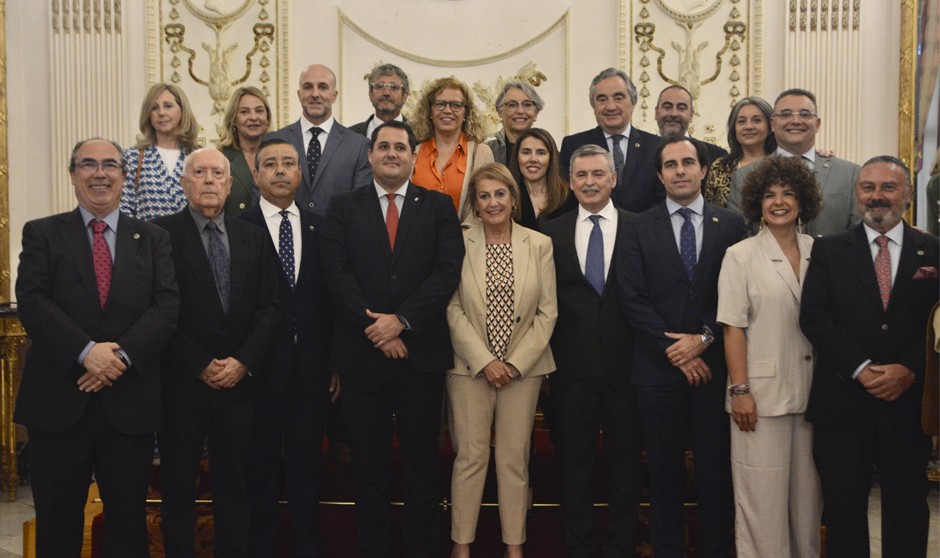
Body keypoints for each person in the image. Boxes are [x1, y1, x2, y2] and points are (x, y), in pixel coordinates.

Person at [14, 138, 180, 557]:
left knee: (127, 525)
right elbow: (33, 302)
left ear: (124, 177)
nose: (100, 173)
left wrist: (119, 357)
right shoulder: (42, 233)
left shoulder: (154, 238)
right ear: (73, 175)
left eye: (110, 165)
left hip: (128, 405)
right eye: (88, 164)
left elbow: (166, 305)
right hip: (58, 404)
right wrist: (86, 351)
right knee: (57, 523)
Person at [319, 120, 464, 558]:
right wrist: (378, 330)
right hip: (362, 359)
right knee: (369, 467)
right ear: (370, 155)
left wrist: (401, 321)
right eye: (383, 146)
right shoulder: (343, 207)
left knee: (423, 465)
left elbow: (446, 272)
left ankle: (422, 550)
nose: (392, 153)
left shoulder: (439, 207)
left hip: (420, 357)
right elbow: (336, 273)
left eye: (400, 147)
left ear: (412, 156)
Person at [800, 155, 939, 558]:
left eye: (888, 187)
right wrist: (861, 369)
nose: (876, 196)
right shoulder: (829, 251)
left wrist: (909, 369)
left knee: (908, 508)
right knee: (842, 513)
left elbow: (939, 325)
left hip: (908, 404)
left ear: (908, 196)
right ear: (857, 195)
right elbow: (814, 316)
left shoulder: (933, 251)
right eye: (868, 187)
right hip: (842, 402)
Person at [618, 136, 745, 558]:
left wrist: (703, 340)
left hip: (713, 370)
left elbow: (735, 296)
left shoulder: (731, 224)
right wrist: (674, 350)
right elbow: (631, 297)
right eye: (670, 165)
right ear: (660, 175)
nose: (680, 171)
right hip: (656, 374)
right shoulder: (637, 225)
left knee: (715, 475)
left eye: (688, 162)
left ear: (703, 169)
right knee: (664, 475)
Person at [154, 147, 280, 558]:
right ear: (184, 181)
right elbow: (157, 310)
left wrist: (242, 362)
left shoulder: (253, 237)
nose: (209, 180)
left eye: (217, 174)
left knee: (235, 488)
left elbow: (270, 307)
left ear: (230, 184)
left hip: (238, 385)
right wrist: (199, 364)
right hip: (181, 385)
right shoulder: (159, 235)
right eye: (199, 172)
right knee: (178, 490)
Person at [446, 163, 557, 558]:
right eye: (484, 195)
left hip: (522, 372)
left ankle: (515, 546)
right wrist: (484, 360)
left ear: (513, 198)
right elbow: (452, 307)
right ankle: (462, 545)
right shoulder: (458, 241)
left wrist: (513, 364)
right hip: (468, 368)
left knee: (514, 459)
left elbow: (548, 313)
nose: (493, 202)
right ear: (474, 204)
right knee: (470, 457)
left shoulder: (538, 244)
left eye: (500, 194)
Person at [716, 156, 824, 557]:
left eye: (789, 193)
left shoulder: (821, 251)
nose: (779, 202)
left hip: (814, 397)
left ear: (804, 201)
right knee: (762, 505)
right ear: (757, 204)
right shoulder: (740, 255)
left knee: (807, 506)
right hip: (759, 399)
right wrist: (740, 389)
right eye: (770, 195)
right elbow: (732, 327)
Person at [541, 144, 641, 558]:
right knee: (574, 470)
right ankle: (577, 549)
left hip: (628, 370)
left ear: (613, 178)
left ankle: (620, 548)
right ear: (570, 180)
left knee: (625, 469)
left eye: (598, 174)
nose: (590, 182)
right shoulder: (550, 232)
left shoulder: (641, 227)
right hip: (570, 373)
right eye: (581, 175)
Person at [240, 138, 337, 557]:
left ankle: (306, 548)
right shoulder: (237, 226)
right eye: (271, 164)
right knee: (258, 468)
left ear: (300, 173)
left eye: (289, 163)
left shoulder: (321, 225)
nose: (281, 171)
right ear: (256, 174)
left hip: (311, 371)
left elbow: (331, 299)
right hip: (258, 371)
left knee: (306, 469)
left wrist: (333, 363)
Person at [731, 88, 860, 236]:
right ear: (772, 124)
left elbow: (857, 233)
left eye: (805, 114)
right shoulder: (745, 176)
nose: (796, 121)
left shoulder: (849, 174)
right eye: (786, 114)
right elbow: (740, 235)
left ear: (817, 124)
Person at [266, 63, 372, 215]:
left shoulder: (358, 146)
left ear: (334, 95)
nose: (315, 94)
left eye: (323, 87)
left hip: (339, 236)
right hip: (286, 235)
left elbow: (361, 205)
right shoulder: (275, 141)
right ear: (299, 94)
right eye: (308, 87)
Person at [560, 68, 664, 214]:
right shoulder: (573, 145)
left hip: (644, 232)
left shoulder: (656, 146)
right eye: (602, 99)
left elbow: (662, 200)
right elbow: (567, 200)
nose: (610, 106)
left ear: (633, 103)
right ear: (593, 106)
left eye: (618, 97)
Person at [410, 76, 495, 217]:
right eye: (440, 104)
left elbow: (487, 207)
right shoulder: (413, 154)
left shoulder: (481, 154)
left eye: (455, 105)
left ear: (466, 113)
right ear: (430, 111)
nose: (448, 110)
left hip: (466, 238)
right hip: (419, 238)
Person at [120, 83, 199, 221]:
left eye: (168, 106)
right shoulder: (133, 157)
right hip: (148, 240)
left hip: (190, 239)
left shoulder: (197, 157)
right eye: (154, 108)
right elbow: (124, 209)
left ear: (182, 110)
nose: (161, 113)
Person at [703, 97, 775, 207]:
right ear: (734, 128)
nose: (748, 127)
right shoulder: (721, 167)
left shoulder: (781, 166)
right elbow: (710, 210)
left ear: (770, 127)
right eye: (741, 121)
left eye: (757, 120)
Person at [216, 86, 272, 216]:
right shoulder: (221, 160)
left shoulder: (280, 157)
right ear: (234, 119)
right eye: (244, 112)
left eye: (259, 111)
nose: (253, 117)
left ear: (267, 117)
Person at [506, 127, 575, 230]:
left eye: (541, 153)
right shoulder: (506, 196)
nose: (533, 159)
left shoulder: (567, 196)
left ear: (551, 158)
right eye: (526, 152)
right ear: (517, 157)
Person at [654, 84, 728, 163]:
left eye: (681, 108)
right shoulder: (641, 152)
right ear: (656, 113)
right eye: (667, 107)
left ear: (691, 115)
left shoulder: (716, 156)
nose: (674, 113)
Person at [485, 81, 545, 165]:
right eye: (512, 105)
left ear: (536, 112)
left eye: (527, 104)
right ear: (499, 112)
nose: (520, 111)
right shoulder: (487, 151)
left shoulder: (547, 150)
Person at [349, 63, 410, 140]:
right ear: (370, 94)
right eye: (379, 86)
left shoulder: (419, 136)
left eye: (394, 87)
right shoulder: (350, 136)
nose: (386, 93)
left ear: (404, 96)